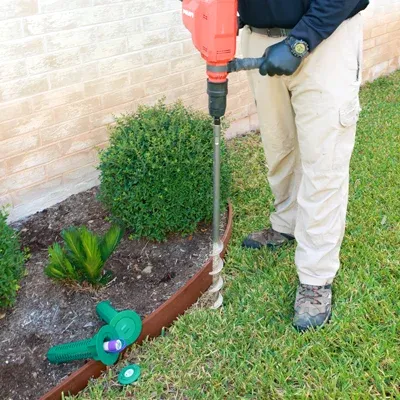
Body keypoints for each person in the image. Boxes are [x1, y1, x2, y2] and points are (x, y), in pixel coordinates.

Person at [238, 0, 369, 331]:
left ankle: (315, 276)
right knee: (278, 146)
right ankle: (286, 222)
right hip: (259, 39)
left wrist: (300, 42)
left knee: (324, 161)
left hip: (326, 42)